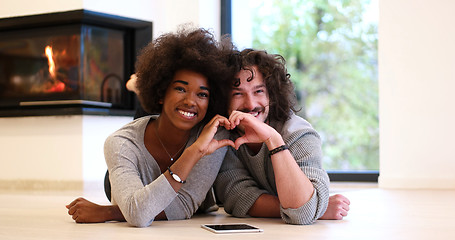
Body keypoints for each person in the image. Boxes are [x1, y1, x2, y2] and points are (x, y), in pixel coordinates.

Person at [66, 27, 237, 227]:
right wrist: (194, 153)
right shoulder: (120, 143)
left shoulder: (213, 135)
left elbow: (182, 206)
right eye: (180, 88)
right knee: (116, 179)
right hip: (127, 179)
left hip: (143, 192)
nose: (191, 101)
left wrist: (110, 212)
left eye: (202, 94)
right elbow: (138, 214)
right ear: (160, 92)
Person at [213, 49, 350, 225]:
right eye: (238, 94)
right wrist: (317, 208)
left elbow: (301, 214)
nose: (251, 104)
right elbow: (238, 197)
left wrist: (273, 140)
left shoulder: (298, 133)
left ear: (272, 93)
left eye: (259, 91)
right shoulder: (223, 138)